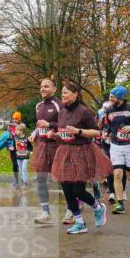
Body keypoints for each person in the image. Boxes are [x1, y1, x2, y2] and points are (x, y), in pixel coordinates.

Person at [47, 81, 112, 234]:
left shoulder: (84, 111)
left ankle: (98, 207)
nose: (63, 95)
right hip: (65, 153)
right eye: (62, 92)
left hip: (82, 153)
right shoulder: (62, 112)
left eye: (66, 92)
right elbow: (64, 133)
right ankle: (79, 223)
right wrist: (55, 135)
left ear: (75, 94)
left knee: (78, 191)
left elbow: (97, 132)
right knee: (66, 189)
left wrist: (78, 131)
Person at [102, 86, 130, 214]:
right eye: (110, 96)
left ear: (121, 97)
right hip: (116, 145)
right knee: (117, 173)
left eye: (113, 97)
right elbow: (110, 125)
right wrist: (107, 132)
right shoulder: (109, 110)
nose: (110, 99)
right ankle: (120, 204)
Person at [31, 79, 61, 226]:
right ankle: (46, 213)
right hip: (42, 146)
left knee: (63, 178)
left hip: (58, 145)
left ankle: (72, 208)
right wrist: (34, 133)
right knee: (41, 178)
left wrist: (50, 125)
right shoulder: (38, 106)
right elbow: (39, 125)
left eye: (46, 86)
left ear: (54, 89)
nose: (43, 89)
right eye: (41, 86)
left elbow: (66, 124)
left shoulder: (59, 104)